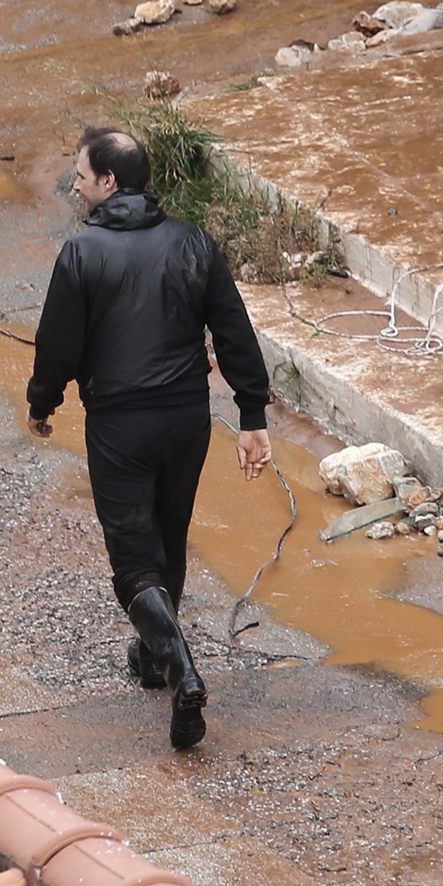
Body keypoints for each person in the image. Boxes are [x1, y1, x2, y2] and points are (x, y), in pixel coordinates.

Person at [27, 126, 272, 749]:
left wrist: (43, 401)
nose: (76, 185)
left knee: (135, 561)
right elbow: (234, 330)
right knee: (169, 535)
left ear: (110, 183)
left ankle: (181, 666)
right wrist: (251, 417)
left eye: (81, 175)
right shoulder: (194, 243)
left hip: (120, 426)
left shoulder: (82, 254)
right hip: (187, 420)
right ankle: (152, 655)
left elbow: (58, 345)